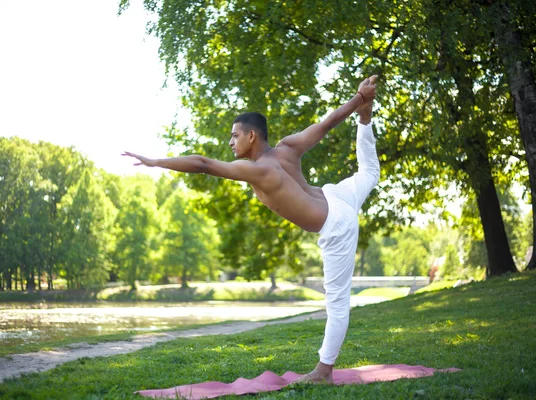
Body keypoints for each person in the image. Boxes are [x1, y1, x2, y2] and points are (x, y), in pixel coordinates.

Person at [122, 75, 380, 384]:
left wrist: (155, 161)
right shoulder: (288, 147)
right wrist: (359, 101)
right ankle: (366, 119)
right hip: (335, 195)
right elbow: (327, 124)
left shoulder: (257, 170)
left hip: (335, 223)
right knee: (369, 173)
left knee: (336, 300)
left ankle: (323, 372)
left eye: (234, 136)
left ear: (252, 136)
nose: (230, 143)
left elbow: (203, 163)